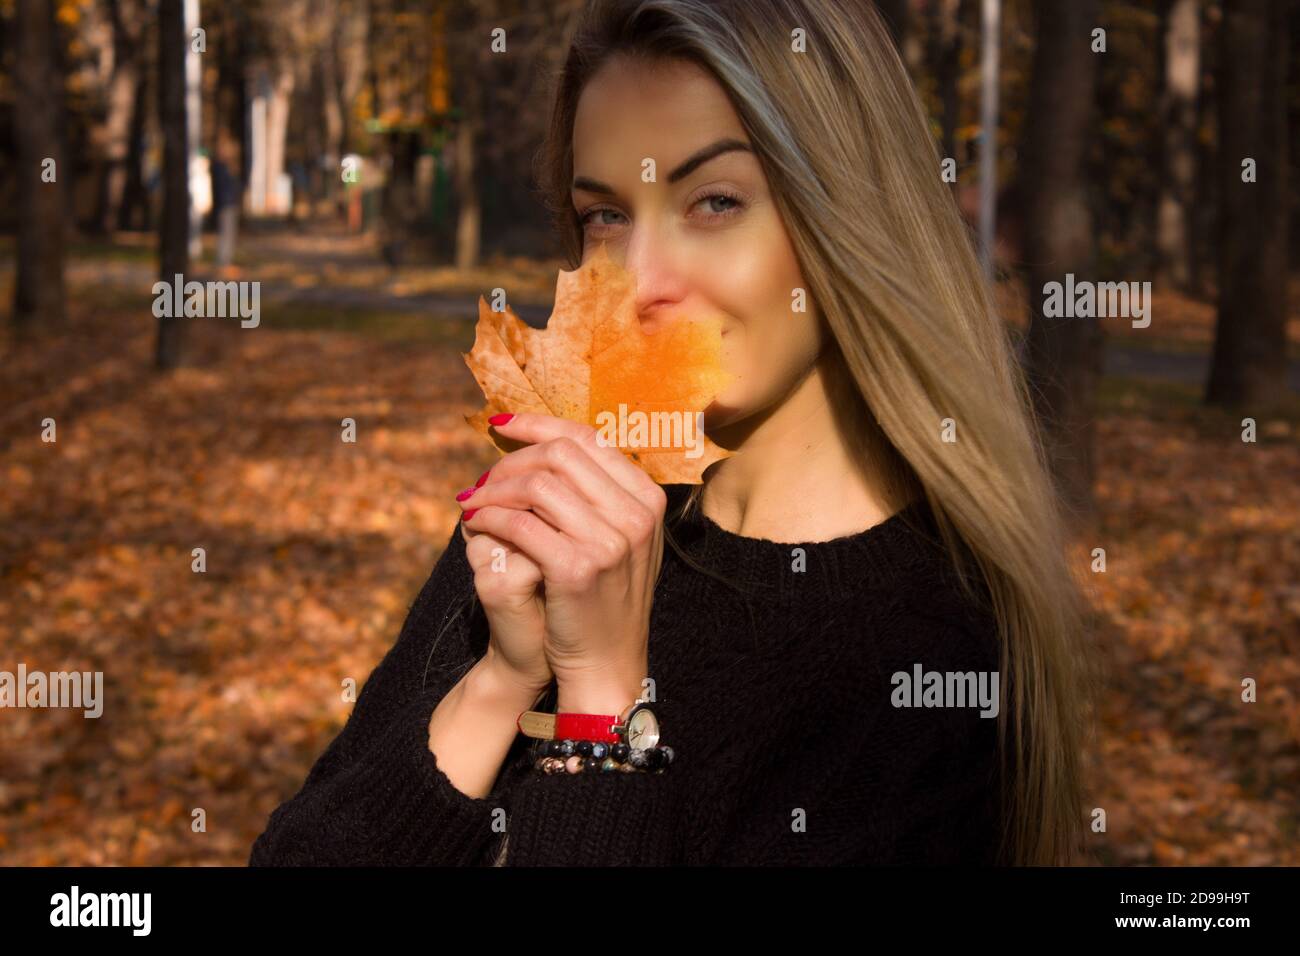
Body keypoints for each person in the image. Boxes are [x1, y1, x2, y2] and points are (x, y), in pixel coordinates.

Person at [249, 0, 1088, 867]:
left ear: (850, 216)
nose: (640, 281)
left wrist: (604, 715)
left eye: (715, 201)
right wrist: (499, 682)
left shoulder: (932, 649)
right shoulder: (576, 513)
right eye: (605, 216)